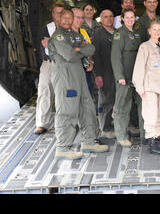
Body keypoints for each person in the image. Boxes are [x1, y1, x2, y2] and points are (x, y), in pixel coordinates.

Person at [48, 9, 108, 160]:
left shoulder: (75, 35)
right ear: (59, 19)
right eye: (65, 18)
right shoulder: (58, 36)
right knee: (67, 111)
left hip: (79, 75)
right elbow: (69, 55)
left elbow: (91, 48)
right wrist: (79, 49)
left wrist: (77, 49)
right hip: (65, 77)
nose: (68, 21)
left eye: (70, 18)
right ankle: (63, 147)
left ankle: (88, 141)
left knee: (86, 107)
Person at [133, 20, 160, 155]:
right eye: (154, 30)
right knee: (151, 114)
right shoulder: (145, 47)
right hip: (149, 84)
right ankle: (151, 140)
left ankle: (155, 135)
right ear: (149, 31)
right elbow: (139, 67)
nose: (157, 32)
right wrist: (139, 87)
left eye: (159, 30)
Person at [111, 8, 144, 147]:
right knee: (122, 106)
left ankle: (146, 133)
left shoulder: (136, 34)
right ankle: (121, 135)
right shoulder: (119, 34)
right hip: (125, 76)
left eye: (132, 17)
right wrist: (119, 76)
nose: (130, 20)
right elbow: (115, 56)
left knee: (143, 105)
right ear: (122, 19)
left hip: (137, 75)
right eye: (127, 17)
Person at [35, 1, 65, 134]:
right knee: (44, 90)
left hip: (64, 64)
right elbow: (43, 46)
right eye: (57, 13)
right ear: (52, 14)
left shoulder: (69, 29)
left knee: (63, 93)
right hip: (49, 63)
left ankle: (63, 123)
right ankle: (43, 123)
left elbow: (64, 48)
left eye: (61, 13)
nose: (59, 15)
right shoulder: (45, 28)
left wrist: (51, 44)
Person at [94, 9, 116, 139]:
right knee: (105, 100)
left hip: (117, 71)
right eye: (105, 17)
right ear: (101, 20)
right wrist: (98, 75)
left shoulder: (117, 33)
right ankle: (105, 127)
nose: (109, 19)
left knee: (116, 99)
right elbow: (95, 56)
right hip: (104, 71)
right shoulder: (98, 34)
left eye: (111, 16)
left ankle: (114, 124)